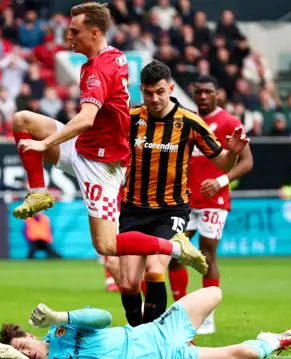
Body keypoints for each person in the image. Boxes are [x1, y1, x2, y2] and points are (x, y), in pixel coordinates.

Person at [9, 2, 206, 271]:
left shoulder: (98, 68)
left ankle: (174, 246)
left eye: (74, 31)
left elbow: (87, 118)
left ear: (94, 32)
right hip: (83, 147)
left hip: (100, 166)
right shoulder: (114, 56)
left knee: (106, 245)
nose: (69, 37)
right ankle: (38, 193)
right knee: (22, 120)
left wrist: (44, 144)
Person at [107, 62, 250, 328]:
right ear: (142, 90)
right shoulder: (130, 118)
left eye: (160, 91)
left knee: (155, 270)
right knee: (127, 283)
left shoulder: (190, 122)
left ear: (171, 88)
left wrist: (232, 152)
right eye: (148, 93)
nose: (154, 98)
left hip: (170, 211)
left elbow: (222, 163)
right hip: (133, 210)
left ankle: (152, 338)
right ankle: (140, 333)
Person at [0, 287, 291, 359]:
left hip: (157, 331)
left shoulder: (59, 331)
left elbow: (103, 318)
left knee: (214, 293)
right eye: (19, 355)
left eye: (22, 346)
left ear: (30, 335)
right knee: (249, 355)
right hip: (166, 357)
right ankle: (275, 338)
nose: (26, 353)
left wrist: (60, 316)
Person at [167, 75, 254, 335]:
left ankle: (207, 317)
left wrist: (221, 180)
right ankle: (179, 312)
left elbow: (247, 162)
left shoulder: (229, 122)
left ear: (218, 94)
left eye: (208, 92)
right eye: (198, 92)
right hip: (183, 199)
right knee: (173, 253)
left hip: (214, 200)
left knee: (207, 255)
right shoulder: (186, 119)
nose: (202, 96)